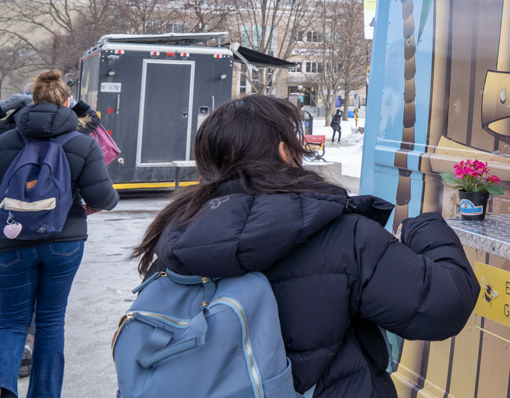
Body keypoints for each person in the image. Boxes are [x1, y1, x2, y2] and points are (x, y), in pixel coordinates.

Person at [132, 94, 479, 398]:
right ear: (285, 153)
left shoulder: (175, 234)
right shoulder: (343, 234)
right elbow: (443, 306)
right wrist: (427, 227)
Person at [0, 70, 119, 398]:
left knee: (10, 322)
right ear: (67, 102)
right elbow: (103, 199)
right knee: (51, 322)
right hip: (64, 241)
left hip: (10, 242)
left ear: (31, 100)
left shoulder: (5, 140)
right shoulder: (82, 143)